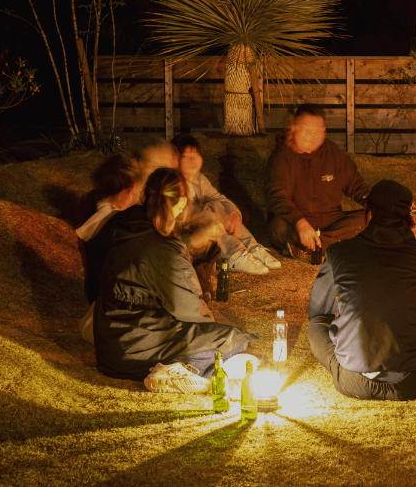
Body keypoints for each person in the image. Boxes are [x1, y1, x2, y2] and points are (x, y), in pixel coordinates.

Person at [94, 167, 257, 385]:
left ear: (145, 196)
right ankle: (174, 372)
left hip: (109, 344)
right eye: (181, 208)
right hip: (135, 350)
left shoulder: (122, 224)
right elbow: (189, 311)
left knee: (220, 340)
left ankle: (191, 367)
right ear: (178, 206)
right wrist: (211, 326)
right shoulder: (164, 250)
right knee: (235, 341)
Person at [308, 180, 416, 401]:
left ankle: (351, 362)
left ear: (369, 213)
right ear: (410, 217)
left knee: (316, 325)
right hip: (412, 384)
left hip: (352, 382)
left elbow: (317, 312)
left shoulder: (339, 251)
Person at [266, 104, 371, 263]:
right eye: (307, 129)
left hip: (332, 220)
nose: (312, 135)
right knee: (277, 228)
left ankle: (311, 246)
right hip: (297, 222)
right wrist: (300, 223)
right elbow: (277, 197)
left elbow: (354, 183)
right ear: (294, 128)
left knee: (371, 218)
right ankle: (338, 244)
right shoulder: (281, 157)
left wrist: (373, 204)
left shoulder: (331, 151)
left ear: (324, 132)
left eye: (318, 130)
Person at [173, 133, 281, 275]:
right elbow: (179, 215)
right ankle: (235, 254)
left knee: (218, 206)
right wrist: (214, 211)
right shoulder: (170, 181)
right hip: (186, 235)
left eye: (196, 155)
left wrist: (234, 215)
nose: (192, 161)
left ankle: (253, 248)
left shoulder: (199, 179)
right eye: (186, 156)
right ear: (174, 159)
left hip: (207, 228)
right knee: (210, 210)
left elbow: (219, 198)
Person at [77, 154, 142, 344]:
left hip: (97, 295)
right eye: (136, 190)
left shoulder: (97, 212)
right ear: (125, 192)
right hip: (109, 301)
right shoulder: (115, 223)